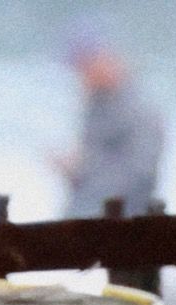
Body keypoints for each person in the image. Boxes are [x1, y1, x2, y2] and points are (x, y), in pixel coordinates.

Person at [53, 16, 164, 219]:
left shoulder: (140, 111)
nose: (81, 75)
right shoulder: (96, 107)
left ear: (107, 58)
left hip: (123, 222)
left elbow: (139, 176)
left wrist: (83, 168)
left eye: (85, 64)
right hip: (87, 218)